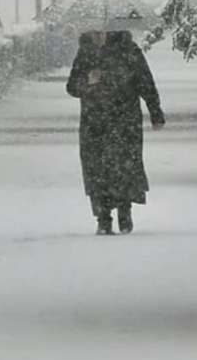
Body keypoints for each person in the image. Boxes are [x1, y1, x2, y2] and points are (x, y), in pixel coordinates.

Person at [66, 29, 165, 235]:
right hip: (94, 122)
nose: (98, 35)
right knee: (97, 168)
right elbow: (72, 87)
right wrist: (88, 81)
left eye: (102, 33)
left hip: (124, 120)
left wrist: (155, 112)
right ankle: (103, 219)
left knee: (124, 166)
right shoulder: (86, 52)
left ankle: (124, 212)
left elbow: (145, 81)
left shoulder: (129, 50)